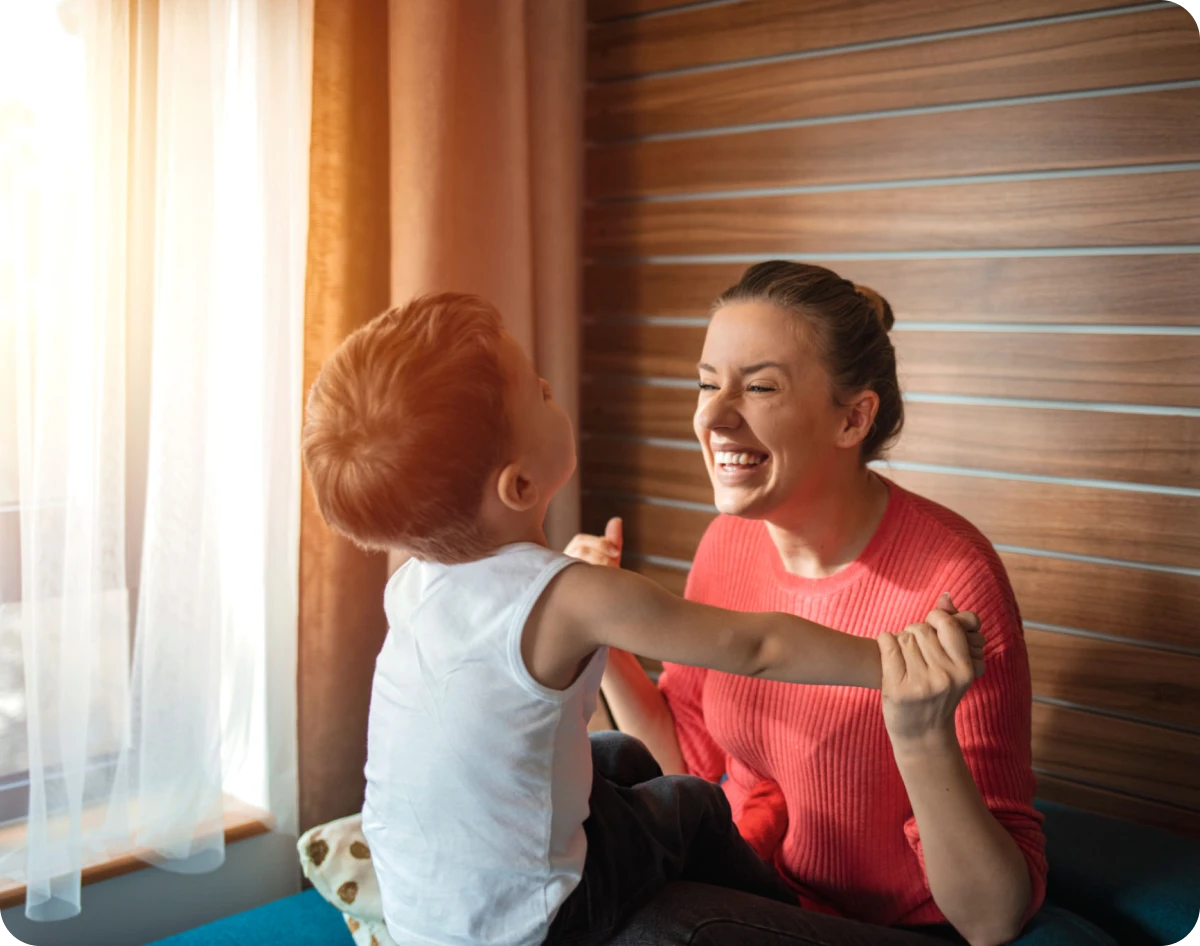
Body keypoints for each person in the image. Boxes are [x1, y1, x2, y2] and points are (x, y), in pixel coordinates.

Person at [300, 292, 984, 946]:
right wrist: (894, 659)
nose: (549, 387)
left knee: (618, 757)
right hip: (534, 920)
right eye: (538, 391)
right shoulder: (576, 595)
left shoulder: (415, 584)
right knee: (689, 805)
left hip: (428, 914)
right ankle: (778, 915)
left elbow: (511, 719)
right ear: (519, 485)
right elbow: (758, 645)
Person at [567, 261, 1053, 946]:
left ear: (853, 418)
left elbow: (993, 916)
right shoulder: (727, 544)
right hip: (758, 891)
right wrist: (602, 629)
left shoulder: (950, 581)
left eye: (759, 387)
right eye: (707, 385)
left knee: (660, 931)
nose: (713, 416)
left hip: (890, 928)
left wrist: (919, 731)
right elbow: (689, 768)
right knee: (606, 769)